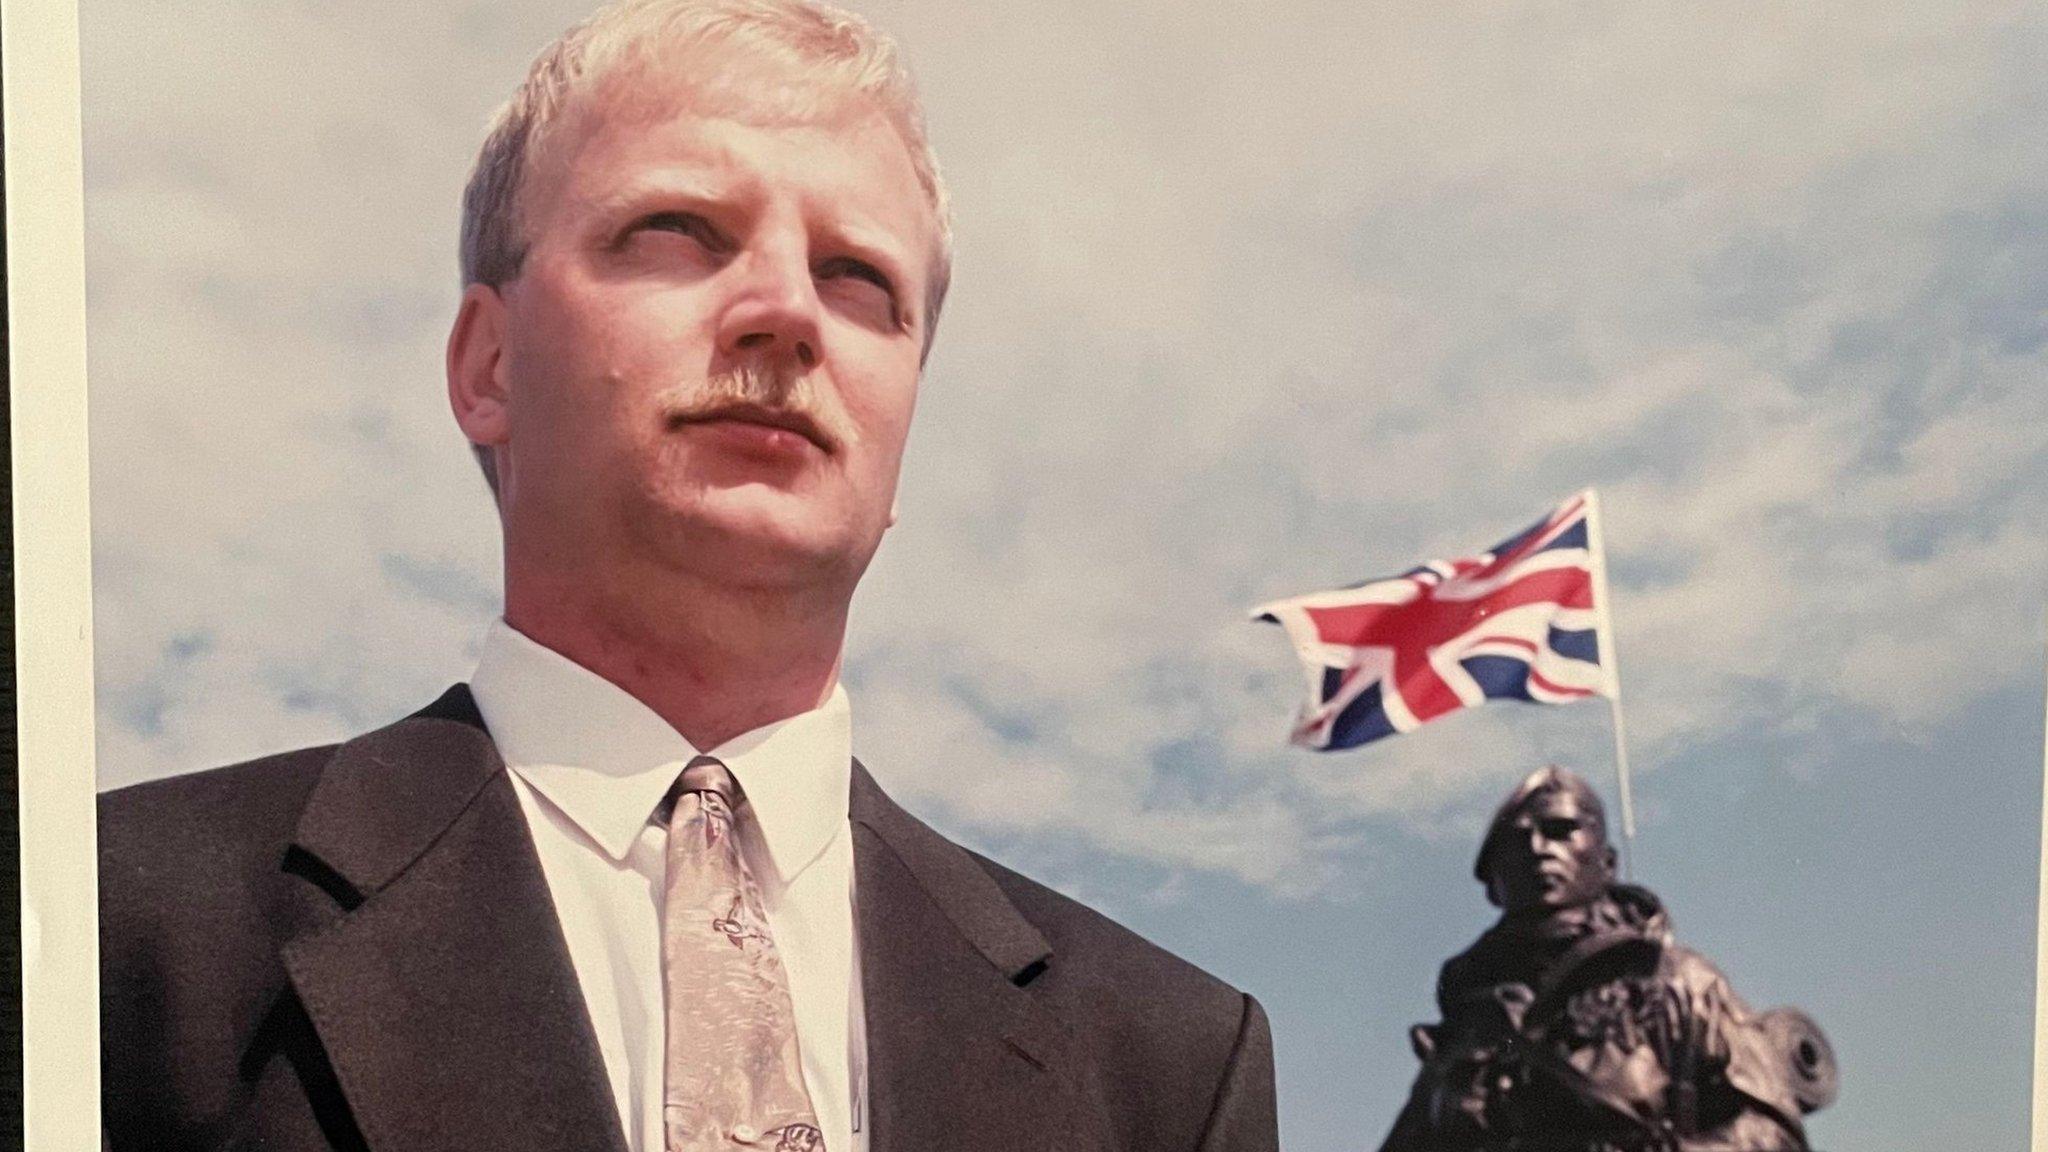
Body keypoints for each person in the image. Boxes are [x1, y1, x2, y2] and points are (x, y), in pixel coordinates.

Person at [96, 3, 1278, 1150]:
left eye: (859, 278)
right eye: (675, 231)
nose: (784, 313)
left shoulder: (1167, 1066)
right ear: (488, 366)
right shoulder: (114, 922)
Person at [1377, 767, 1835, 1152]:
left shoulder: (1677, 981)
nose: (1538, 848)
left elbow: (1773, 1134)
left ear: (1607, 861)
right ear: (1493, 883)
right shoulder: (1467, 1027)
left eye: (1560, 830)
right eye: (1517, 841)